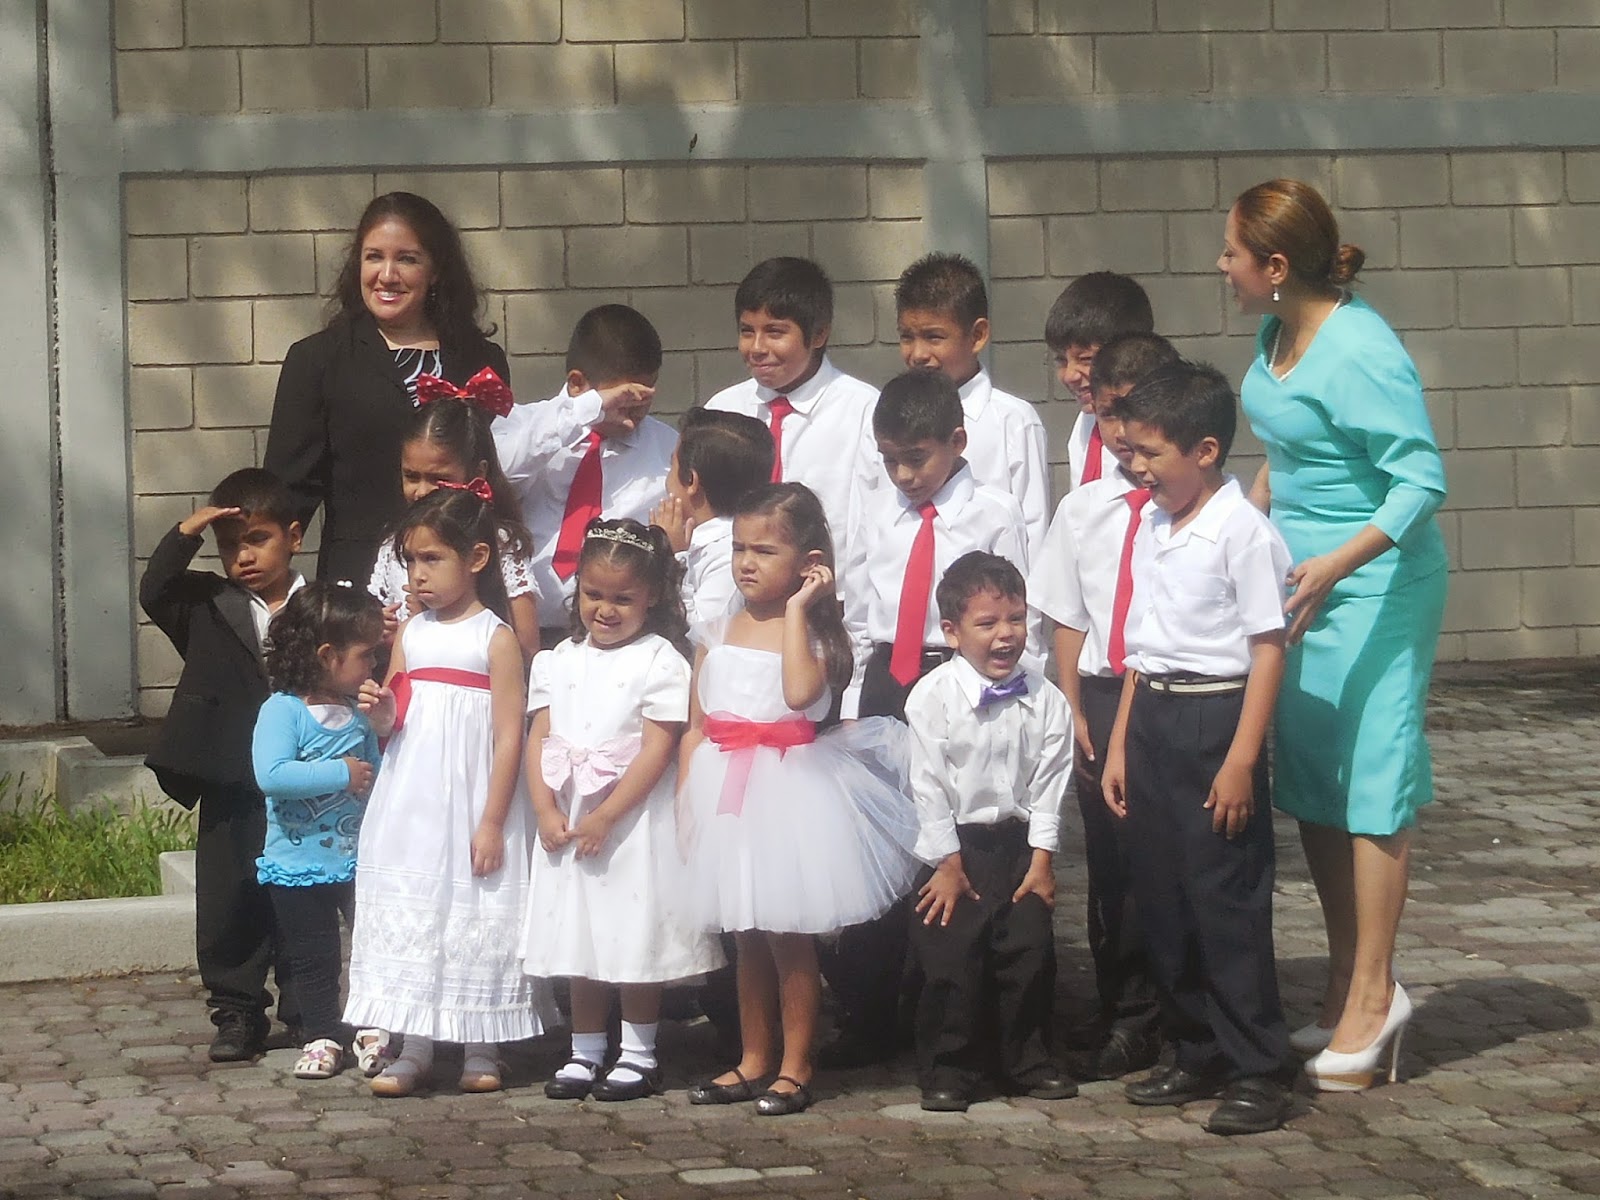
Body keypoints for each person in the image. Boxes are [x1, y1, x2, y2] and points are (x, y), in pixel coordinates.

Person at [1221, 179, 1448, 1091]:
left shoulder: (1361, 348)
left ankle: (1374, 995)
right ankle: (1351, 979)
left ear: (1276, 265)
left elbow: (1420, 481)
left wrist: (1335, 565)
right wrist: (1242, 527)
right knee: (1315, 783)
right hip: (1299, 585)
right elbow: (1288, 455)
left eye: (1233, 253)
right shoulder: (1274, 335)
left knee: (1372, 784)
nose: (1222, 266)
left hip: (1377, 588)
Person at [679, 483, 920, 1116]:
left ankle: (796, 1062)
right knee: (746, 934)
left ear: (809, 562)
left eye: (764, 551)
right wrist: (685, 801)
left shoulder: (813, 635)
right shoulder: (716, 627)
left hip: (788, 791)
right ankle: (753, 1056)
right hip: (725, 792)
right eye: (740, 548)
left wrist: (798, 610)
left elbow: (796, 695)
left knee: (788, 935)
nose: (746, 562)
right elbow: (698, 724)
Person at [1100, 362, 1296, 1136]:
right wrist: (1121, 743)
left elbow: (1269, 647)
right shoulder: (1155, 523)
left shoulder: (1243, 532)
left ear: (1205, 450)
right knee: (1164, 895)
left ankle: (1258, 1067)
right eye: (1131, 452)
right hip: (1152, 715)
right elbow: (1142, 649)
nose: (1138, 468)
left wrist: (1243, 759)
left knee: (1225, 899)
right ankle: (1195, 1047)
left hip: (1217, 721)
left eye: (1151, 453)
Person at [823, 369, 1031, 1069]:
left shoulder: (994, 512)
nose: (904, 475)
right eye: (890, 461)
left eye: (917, 458)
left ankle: (960, 1018)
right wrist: (853, 707)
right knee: (885, 844)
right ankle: (870, 1012)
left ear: (957, 442)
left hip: (962, 675)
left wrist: (1005, 700)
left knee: (959, 840)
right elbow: (859, 612)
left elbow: (1015, 611)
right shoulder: (878, 509)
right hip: (891, 677)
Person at [346, 487, 553, 1097]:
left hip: (473, 798)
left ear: (477, 558)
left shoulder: (495, 638)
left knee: (475, 905)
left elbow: (509, 735)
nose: (418, 574)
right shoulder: (411, 632)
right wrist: (379, 711)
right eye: (411, 560)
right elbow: (396, 715)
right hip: (413, 798)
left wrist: (492, 821)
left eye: (432, 559)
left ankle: (482, 1043)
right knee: (420, 905)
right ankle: (414, 1045)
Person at [523, 519, 724, 1103]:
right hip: (570, 815)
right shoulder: (556, 660)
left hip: (631, 823)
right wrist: (544, 809)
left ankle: (639, 1052)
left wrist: (608, 816)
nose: (605, 610)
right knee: (580, 938)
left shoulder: (659, 660)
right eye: (593, 594)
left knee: (632, 933)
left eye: (622, 598)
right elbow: (540, 737)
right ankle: (585, 1049)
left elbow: (658, 748)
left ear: (652, 596)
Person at [1027, 331, 1179, 1081]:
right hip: (1097, 688)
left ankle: (1160, 1011)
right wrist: (1073, 704)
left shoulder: (1182, 507)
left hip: (1160, 692)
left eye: (1133, 413)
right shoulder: (1085, 506)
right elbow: (1067, 611)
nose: (1119, 431)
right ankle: (1120, 1002)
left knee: (1163, 858)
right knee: (1110, 862)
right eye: (1109, 413)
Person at [140, 467, 306, 1063]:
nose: (244, 556)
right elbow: (155, 590)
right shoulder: (208, 604)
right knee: (229, 896)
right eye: (230, 544)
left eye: (258, 539)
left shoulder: (323, 606)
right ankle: (236, 1012)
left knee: (301, 893)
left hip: (306, 780)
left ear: (293, 536)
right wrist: (187, 531)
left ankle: (308, 1011)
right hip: (231, 777)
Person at [265, 192, 510, 587]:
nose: (387, 274)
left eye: (407, 259)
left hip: (461, 585)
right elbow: (286, 496)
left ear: (435, 270)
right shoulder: (317, 359)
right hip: (359, 583)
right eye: (374, 257)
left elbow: (496, 477)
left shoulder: (481, 360)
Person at [904, 552, 1075, 1113]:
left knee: (1026, 953)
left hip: (1019, 845)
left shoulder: (1045, 697)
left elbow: (1050, 781)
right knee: (952, 961)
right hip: (956, 849)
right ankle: (949, 1067)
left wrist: (1042, 859)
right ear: (952, 632)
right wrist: (946, 863)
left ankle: (1026, 1059)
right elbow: (928, 783)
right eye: (987, 623)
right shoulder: (932, 697)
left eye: (1016, 620)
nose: (1006, 635)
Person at [252, 583, 384, 1080]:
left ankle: (374, 1027)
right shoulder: (282, 711)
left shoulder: (359, 715)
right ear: (328, 656)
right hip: (297, 865)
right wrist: (340, 774)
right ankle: (322, 1033)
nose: (374, 664)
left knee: (372, 947)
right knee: (313, 956)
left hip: (358, 860)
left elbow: (377, 778)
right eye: (366, 655)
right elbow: (272, 774)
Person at [491, 304, 678, 649]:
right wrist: (584, 413)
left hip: (621, 640)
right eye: (624, 399)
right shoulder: (523, 425)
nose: (636, 412)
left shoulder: (669, 450)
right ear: (577, 383)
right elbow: (497, 473)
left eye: (646, 397)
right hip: (522, 634)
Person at [703, 256, 882, 603]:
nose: (757, 348)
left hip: (828, 607)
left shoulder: (863, 413)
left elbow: (872, 529)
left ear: (819, 334)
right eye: (747, 331)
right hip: (734, 609)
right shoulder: (722, 410)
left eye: (775, 332)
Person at [895, 252, 1049, 556]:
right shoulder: (890, 418)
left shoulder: (1013, 422)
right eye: (906, 337)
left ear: (977, 335)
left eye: (934, 337)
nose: (918, 354)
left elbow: (1034, 532)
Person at [367, 387, 540, 660]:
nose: (421, 491)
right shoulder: (396, 543)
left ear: (478, 473)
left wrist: (430, 623)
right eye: (411, 476)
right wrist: (382, 631)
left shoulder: (500, 544)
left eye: (438, 479)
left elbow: (527, 649)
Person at [650, 408, 775, 626]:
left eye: (672, 466)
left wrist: (673, 560)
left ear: (691, 481)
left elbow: (702, 631)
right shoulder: (691, 539)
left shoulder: (730, 553)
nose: (667, 480)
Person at [1044, 272, 1155, 490]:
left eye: (1086, 359)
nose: (1069, 375)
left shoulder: (1165, 426)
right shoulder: (1085, 424)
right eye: (1061, 361)